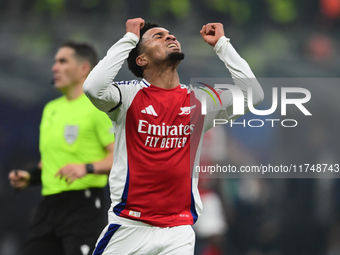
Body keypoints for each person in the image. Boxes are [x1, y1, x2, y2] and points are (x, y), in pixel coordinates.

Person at [83, 18, 264, 254]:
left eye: (171, 35)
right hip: (130, 226)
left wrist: (222, 45)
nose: (170, 37)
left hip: (178, 231)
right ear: (142, 59)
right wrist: (128, 39)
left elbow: (254, 94)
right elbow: (92, 88)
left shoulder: (200, 101)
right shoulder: (127, 97)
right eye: (158, 37)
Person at [8, 41, 115, 255]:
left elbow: (121, 157)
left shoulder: (98, 107)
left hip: (83, 204)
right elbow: (48, 162)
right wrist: (30, 177)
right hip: (49, 205)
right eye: (55, 61)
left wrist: (87, 168)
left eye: (62, 61)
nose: (54, 67)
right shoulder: (51, 109)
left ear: (83, 68)